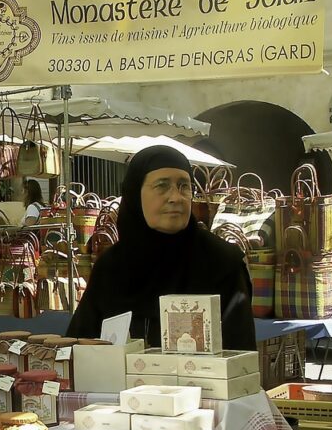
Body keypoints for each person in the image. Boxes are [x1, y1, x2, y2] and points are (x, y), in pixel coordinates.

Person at [67, 145, 256, 350]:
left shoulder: (222, 263)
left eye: (184, 186)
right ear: (134, 194)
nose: (176, 197)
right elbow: (79, 345)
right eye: (162, 186)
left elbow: (240, 354)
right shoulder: (111, 268)